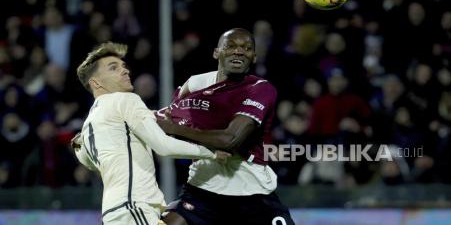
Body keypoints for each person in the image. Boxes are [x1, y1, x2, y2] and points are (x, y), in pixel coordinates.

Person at [72, 42, 229, 225]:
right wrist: (210, 153)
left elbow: (88, 160)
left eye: (123, 66)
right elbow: (163, 146)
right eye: (113, 68)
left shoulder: (90, 123)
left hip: (114, 213)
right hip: (135, 207)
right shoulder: (125, 100)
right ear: (96, 83)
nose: (125, 71)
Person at [156, 28, 295, 225]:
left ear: (254, 57)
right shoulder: (195, 84)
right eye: (230, 46)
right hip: (202, 189)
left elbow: (230, 140)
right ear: (216, 52)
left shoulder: (260, 89)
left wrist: (175, 129)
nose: (239, 51)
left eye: (246, 48)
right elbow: (171, 117)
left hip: (252, 193)